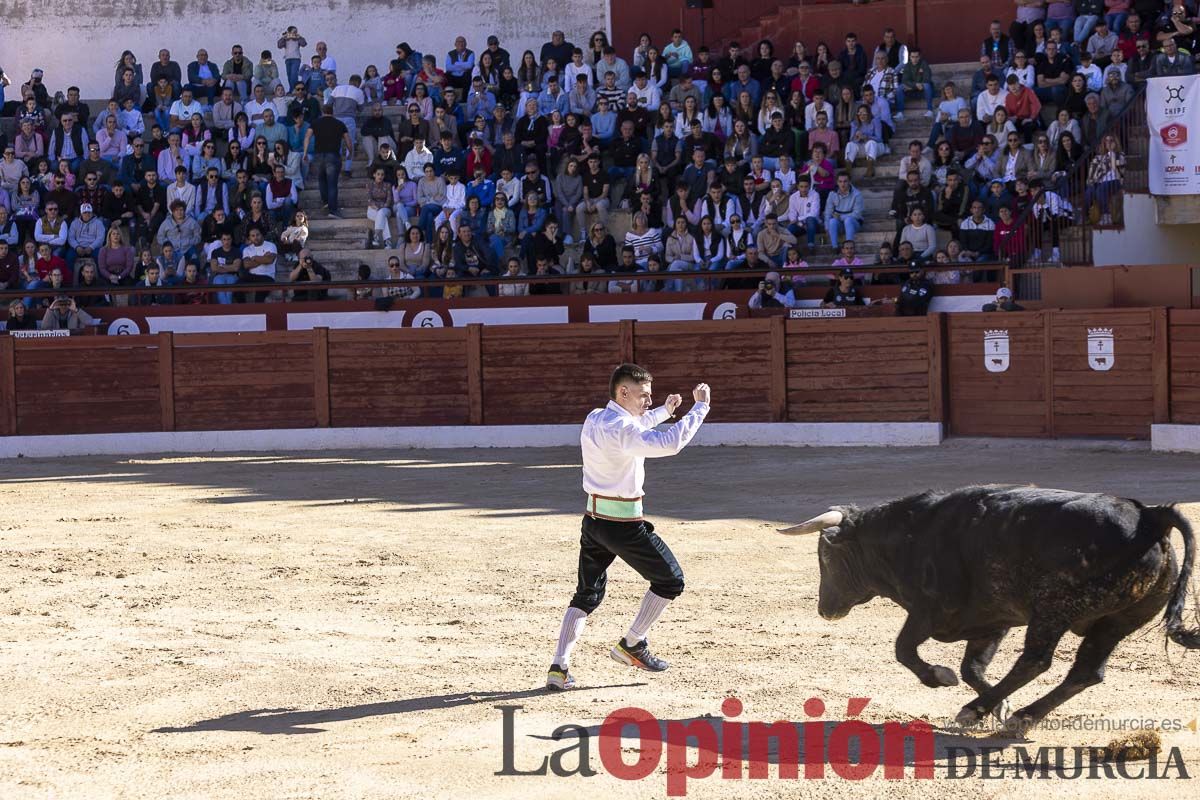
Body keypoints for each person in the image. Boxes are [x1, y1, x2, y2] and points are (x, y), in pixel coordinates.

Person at [546, 364, 710, 690]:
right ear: (623, 393)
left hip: (593, 520)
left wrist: (664, 410)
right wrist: (700, 408)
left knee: (586, 595)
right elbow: (670, 443)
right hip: (623, 525)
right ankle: (633, 643)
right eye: (644, 395)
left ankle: (559, 668)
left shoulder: (595, 418)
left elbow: (634, 425)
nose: (648, 401)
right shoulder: (623, 429)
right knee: (670, 581)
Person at [304, 105, 352, 218]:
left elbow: (307, 137)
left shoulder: (315, 123)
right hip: (333, 156)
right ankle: (333, 210)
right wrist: (350, 153)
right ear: (333, 112)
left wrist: (305, 152)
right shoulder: (340, 124)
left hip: (318, 156)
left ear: (322, 112)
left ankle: (325, 202)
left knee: (322, 181)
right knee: (332, 183)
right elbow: (348, 141)